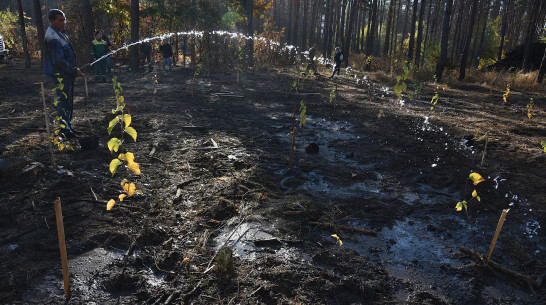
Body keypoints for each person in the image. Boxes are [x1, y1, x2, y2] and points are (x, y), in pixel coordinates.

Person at [44, 9, 84, 139]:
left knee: (68, 100)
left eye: (64, 19)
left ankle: (68, 126)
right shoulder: (52, 36)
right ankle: (64, 129)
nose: (64, 22)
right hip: (61, 74)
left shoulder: (60, 33)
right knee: (63, 101)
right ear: (52, 20)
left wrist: (73, 69)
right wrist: (74, 70)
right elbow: (58, 61)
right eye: (60, 20)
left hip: (66, 73)